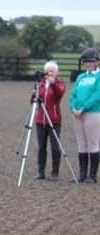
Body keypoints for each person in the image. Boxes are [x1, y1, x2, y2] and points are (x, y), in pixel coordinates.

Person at [69, 47, 100, 184]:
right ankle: (82, 174)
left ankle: (92, 175)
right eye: (86, 61)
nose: (88, 63)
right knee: (81, 143)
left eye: (91, 61)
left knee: (92, 142)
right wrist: (73, 107)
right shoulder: (81, 77)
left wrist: (83, 108)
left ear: (97, 62)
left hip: (93, 113)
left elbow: (97, 95)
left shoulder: (98, 76)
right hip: (78, 114)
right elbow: (73, 95)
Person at [33, 61, 65, 181]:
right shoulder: (40, 84)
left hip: (54, 119)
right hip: (40, 120)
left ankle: (55, 172)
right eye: (48, 71)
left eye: (52, 71)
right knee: (41, 146)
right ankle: (41, 171)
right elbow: (33, 100)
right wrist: (33, 93)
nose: (49, 73)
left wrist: (53, 84)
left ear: (57, 72)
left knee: (55, 146)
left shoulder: (60, 83)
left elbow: (60, 93)